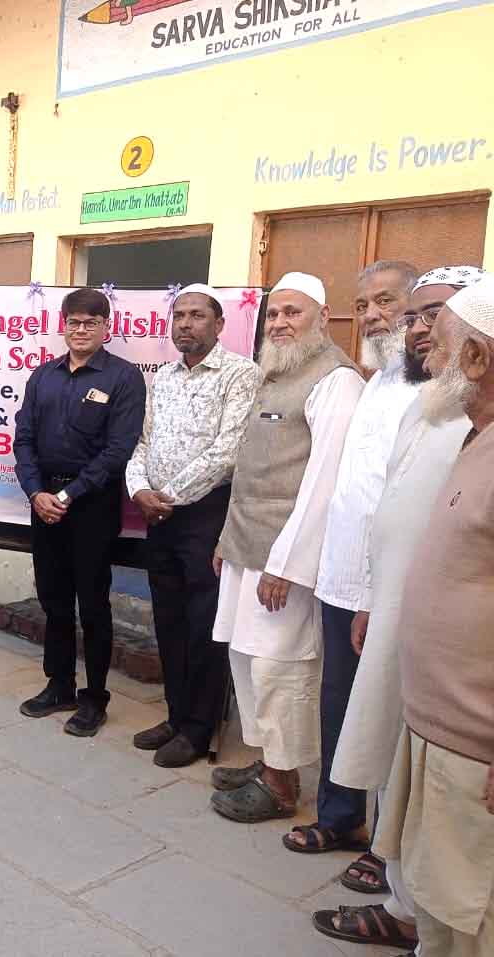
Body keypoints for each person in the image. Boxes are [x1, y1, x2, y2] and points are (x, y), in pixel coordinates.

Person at [311, 266, 484, 953]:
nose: (418, 331)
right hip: (398, 622)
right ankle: (402, 902)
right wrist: (372, 598)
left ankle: (411, 909)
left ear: (477, 348)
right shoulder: (431, 404)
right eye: (413, 317)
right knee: (399, 770)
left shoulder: (470, 415)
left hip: (464, 684)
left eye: (433, 318)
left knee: (450, 840)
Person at [277, 261, 421, 856]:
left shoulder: (433, 392)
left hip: (386, 589)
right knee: (338, 704)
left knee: (386, 716)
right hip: (340, 578)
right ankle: (340, 817)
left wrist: (373, 595)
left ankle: (386, 846)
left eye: (386, 302)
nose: (372, 315)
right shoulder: (376, 380)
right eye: (363, 305)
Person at [208, 272, 364, 823]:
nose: (279, 323)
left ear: (322, 318)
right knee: (246, 658)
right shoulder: (273, 375)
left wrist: (288, 565)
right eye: (273, 313)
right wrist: (227, 541)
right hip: (247, 548)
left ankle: (282, 784)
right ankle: (268, 762)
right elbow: (252, 468)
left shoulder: (336, 380)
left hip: (284, 561)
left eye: (292, 313)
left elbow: (325, 483)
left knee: (280, 668)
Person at [373, 275, 494, 957]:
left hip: (475, 750)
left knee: (469, 922)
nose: (428, 353)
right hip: (439, 732)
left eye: (443, 344)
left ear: (476, 358)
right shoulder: (477, 436)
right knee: (439, 912)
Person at [125, 285, 258, 767]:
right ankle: (176, 715)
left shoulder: (241, 374)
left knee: (204, 623)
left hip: (205, 515)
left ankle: (200, 729)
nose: (185, 323)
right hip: (158, 516)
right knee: (168, 617)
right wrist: (140, 490)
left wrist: (168, 497)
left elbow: (228, 451)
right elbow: (143, 442)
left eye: (197, 315)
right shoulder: (163, 377)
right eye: (179, 315)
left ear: (219, 325)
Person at [13, 288, 145, 736]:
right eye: (74, 322)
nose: (81, 330)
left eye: (91, 322)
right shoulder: (43, 376)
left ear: (107, 327)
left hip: (92, 506)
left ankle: (94, 698)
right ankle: (59, 686)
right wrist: (36, 492)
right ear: (63, 325)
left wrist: (68, 495)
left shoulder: (123, 378)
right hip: (44, 503)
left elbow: (119, 449)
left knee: (92, 604)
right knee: (53, 600)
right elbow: (24, 440)